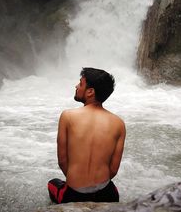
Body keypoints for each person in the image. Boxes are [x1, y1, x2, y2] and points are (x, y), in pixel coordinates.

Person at [47, 67, 126, 204]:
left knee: (52, 184)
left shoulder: (68, 116)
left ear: (90, 92)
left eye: (80, 83)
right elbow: (113, 169)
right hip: (106, 194)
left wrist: (77, 180)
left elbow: (62, 161)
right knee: (112, 189)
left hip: (74, 194)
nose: (76, 86)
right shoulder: (118, 123)